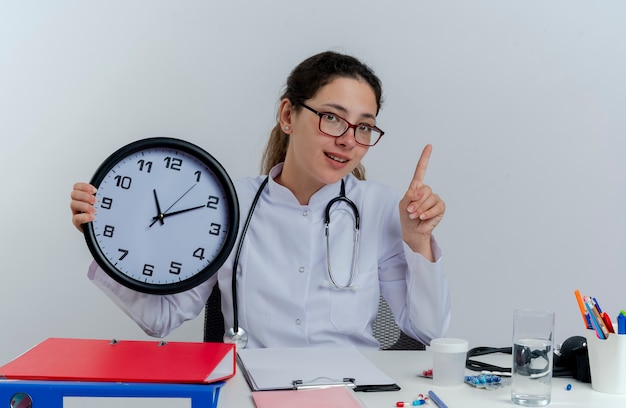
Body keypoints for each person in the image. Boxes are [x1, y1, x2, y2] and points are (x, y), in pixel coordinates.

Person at [70, 51, 450, 349]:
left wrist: (417, 241)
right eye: (332, 118)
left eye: (363, 126)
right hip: (252, 390)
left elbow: (427, 332)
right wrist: (104, 236)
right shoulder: (224, 203)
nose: (348, 139)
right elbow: (162, 318)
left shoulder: (380, 206)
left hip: (350, 389)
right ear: (288, 115)